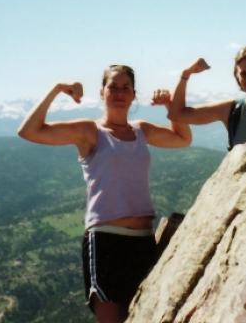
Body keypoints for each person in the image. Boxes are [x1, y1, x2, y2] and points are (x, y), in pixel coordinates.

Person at [17, 65, 191, 323]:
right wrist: (56, 89)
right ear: (102, 92)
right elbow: (29, 131)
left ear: (133, 94)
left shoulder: (141, 130)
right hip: (106, 242)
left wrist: (170, 107)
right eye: (113, 87)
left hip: (143, 241)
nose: (119, 93)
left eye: (125, 88)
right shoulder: (91, 132)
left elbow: (182, 138)